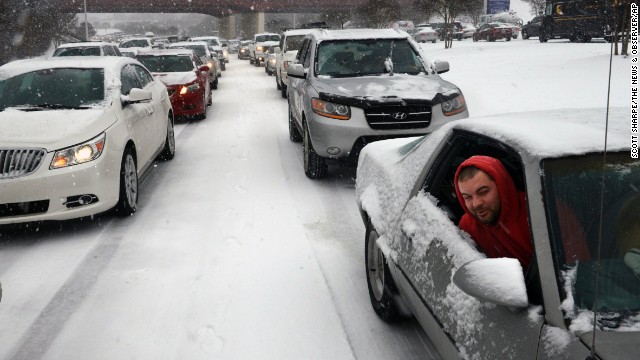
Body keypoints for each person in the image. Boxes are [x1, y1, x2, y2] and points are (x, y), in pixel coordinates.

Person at [454, 155, 533, 270]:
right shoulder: (468, 226)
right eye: (467, 197)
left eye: (483, 192)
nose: (476, 204)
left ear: (501, 185)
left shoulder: (539, 211)